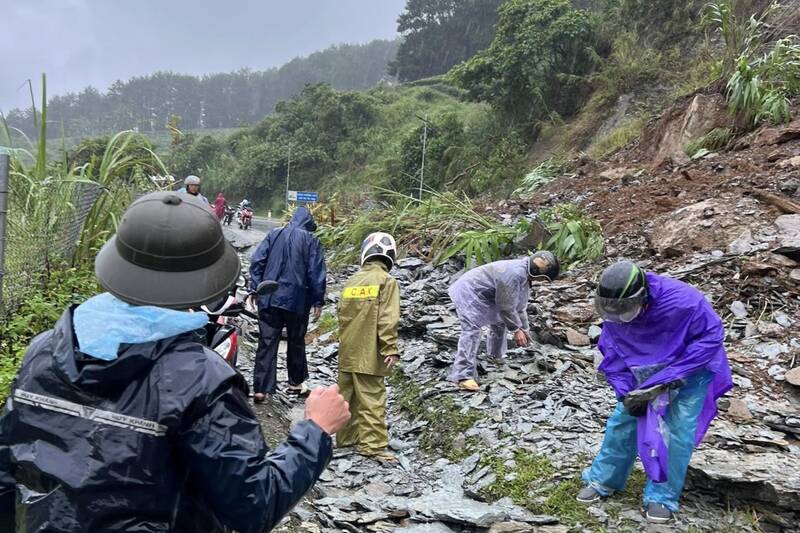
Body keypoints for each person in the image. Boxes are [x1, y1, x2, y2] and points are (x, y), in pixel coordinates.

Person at [0, 191, 350, 533]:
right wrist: (314, 431)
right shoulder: (202, 380)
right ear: (209, 280)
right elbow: (253, 506)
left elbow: (7, 472)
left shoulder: (43, 349)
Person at [577, 261, 732, 523]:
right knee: (623, 421)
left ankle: (662, 496)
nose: (619, 315)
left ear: (643, 296)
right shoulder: (615, 308)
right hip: (645, 371)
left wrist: (670, 378)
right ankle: (604, 479)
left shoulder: (685, 302)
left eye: (626, 309)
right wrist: (627, 393)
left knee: (677, 430)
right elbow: (613, 354)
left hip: (689, 370)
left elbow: (711, 337)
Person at [448, 252, 560, 391]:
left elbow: (519, 307)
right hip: (470, 292)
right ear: (538, 273)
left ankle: (496, 356)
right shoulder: (514, 274)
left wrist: (525, 329)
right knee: (472, 330)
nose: (541, 281)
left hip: (488, 294)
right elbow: (506, 307)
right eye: (542, 278)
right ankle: (463, 375)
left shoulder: (524, 275)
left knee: (500, 323)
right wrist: (516, 330)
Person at [249, 206, 326, 402]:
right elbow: (315, 272)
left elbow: (257, 261)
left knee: (267, 342)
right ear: (308, 223)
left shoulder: (274, 234)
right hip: (297, 300)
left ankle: (261, 389)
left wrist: (255, 288)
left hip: (269, 298)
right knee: (296, 341)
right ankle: (295, 383)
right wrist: (318, 300)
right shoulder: (311, 240)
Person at [336, 232, 400, 461]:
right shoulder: (387, 281)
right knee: (372, 398)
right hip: (369, 352)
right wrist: (390, 348)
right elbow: (387, 318)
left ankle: (345, 439)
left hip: (347, 350)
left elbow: (341, 315)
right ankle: (372, 445)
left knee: (346, 397)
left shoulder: (352, 281)